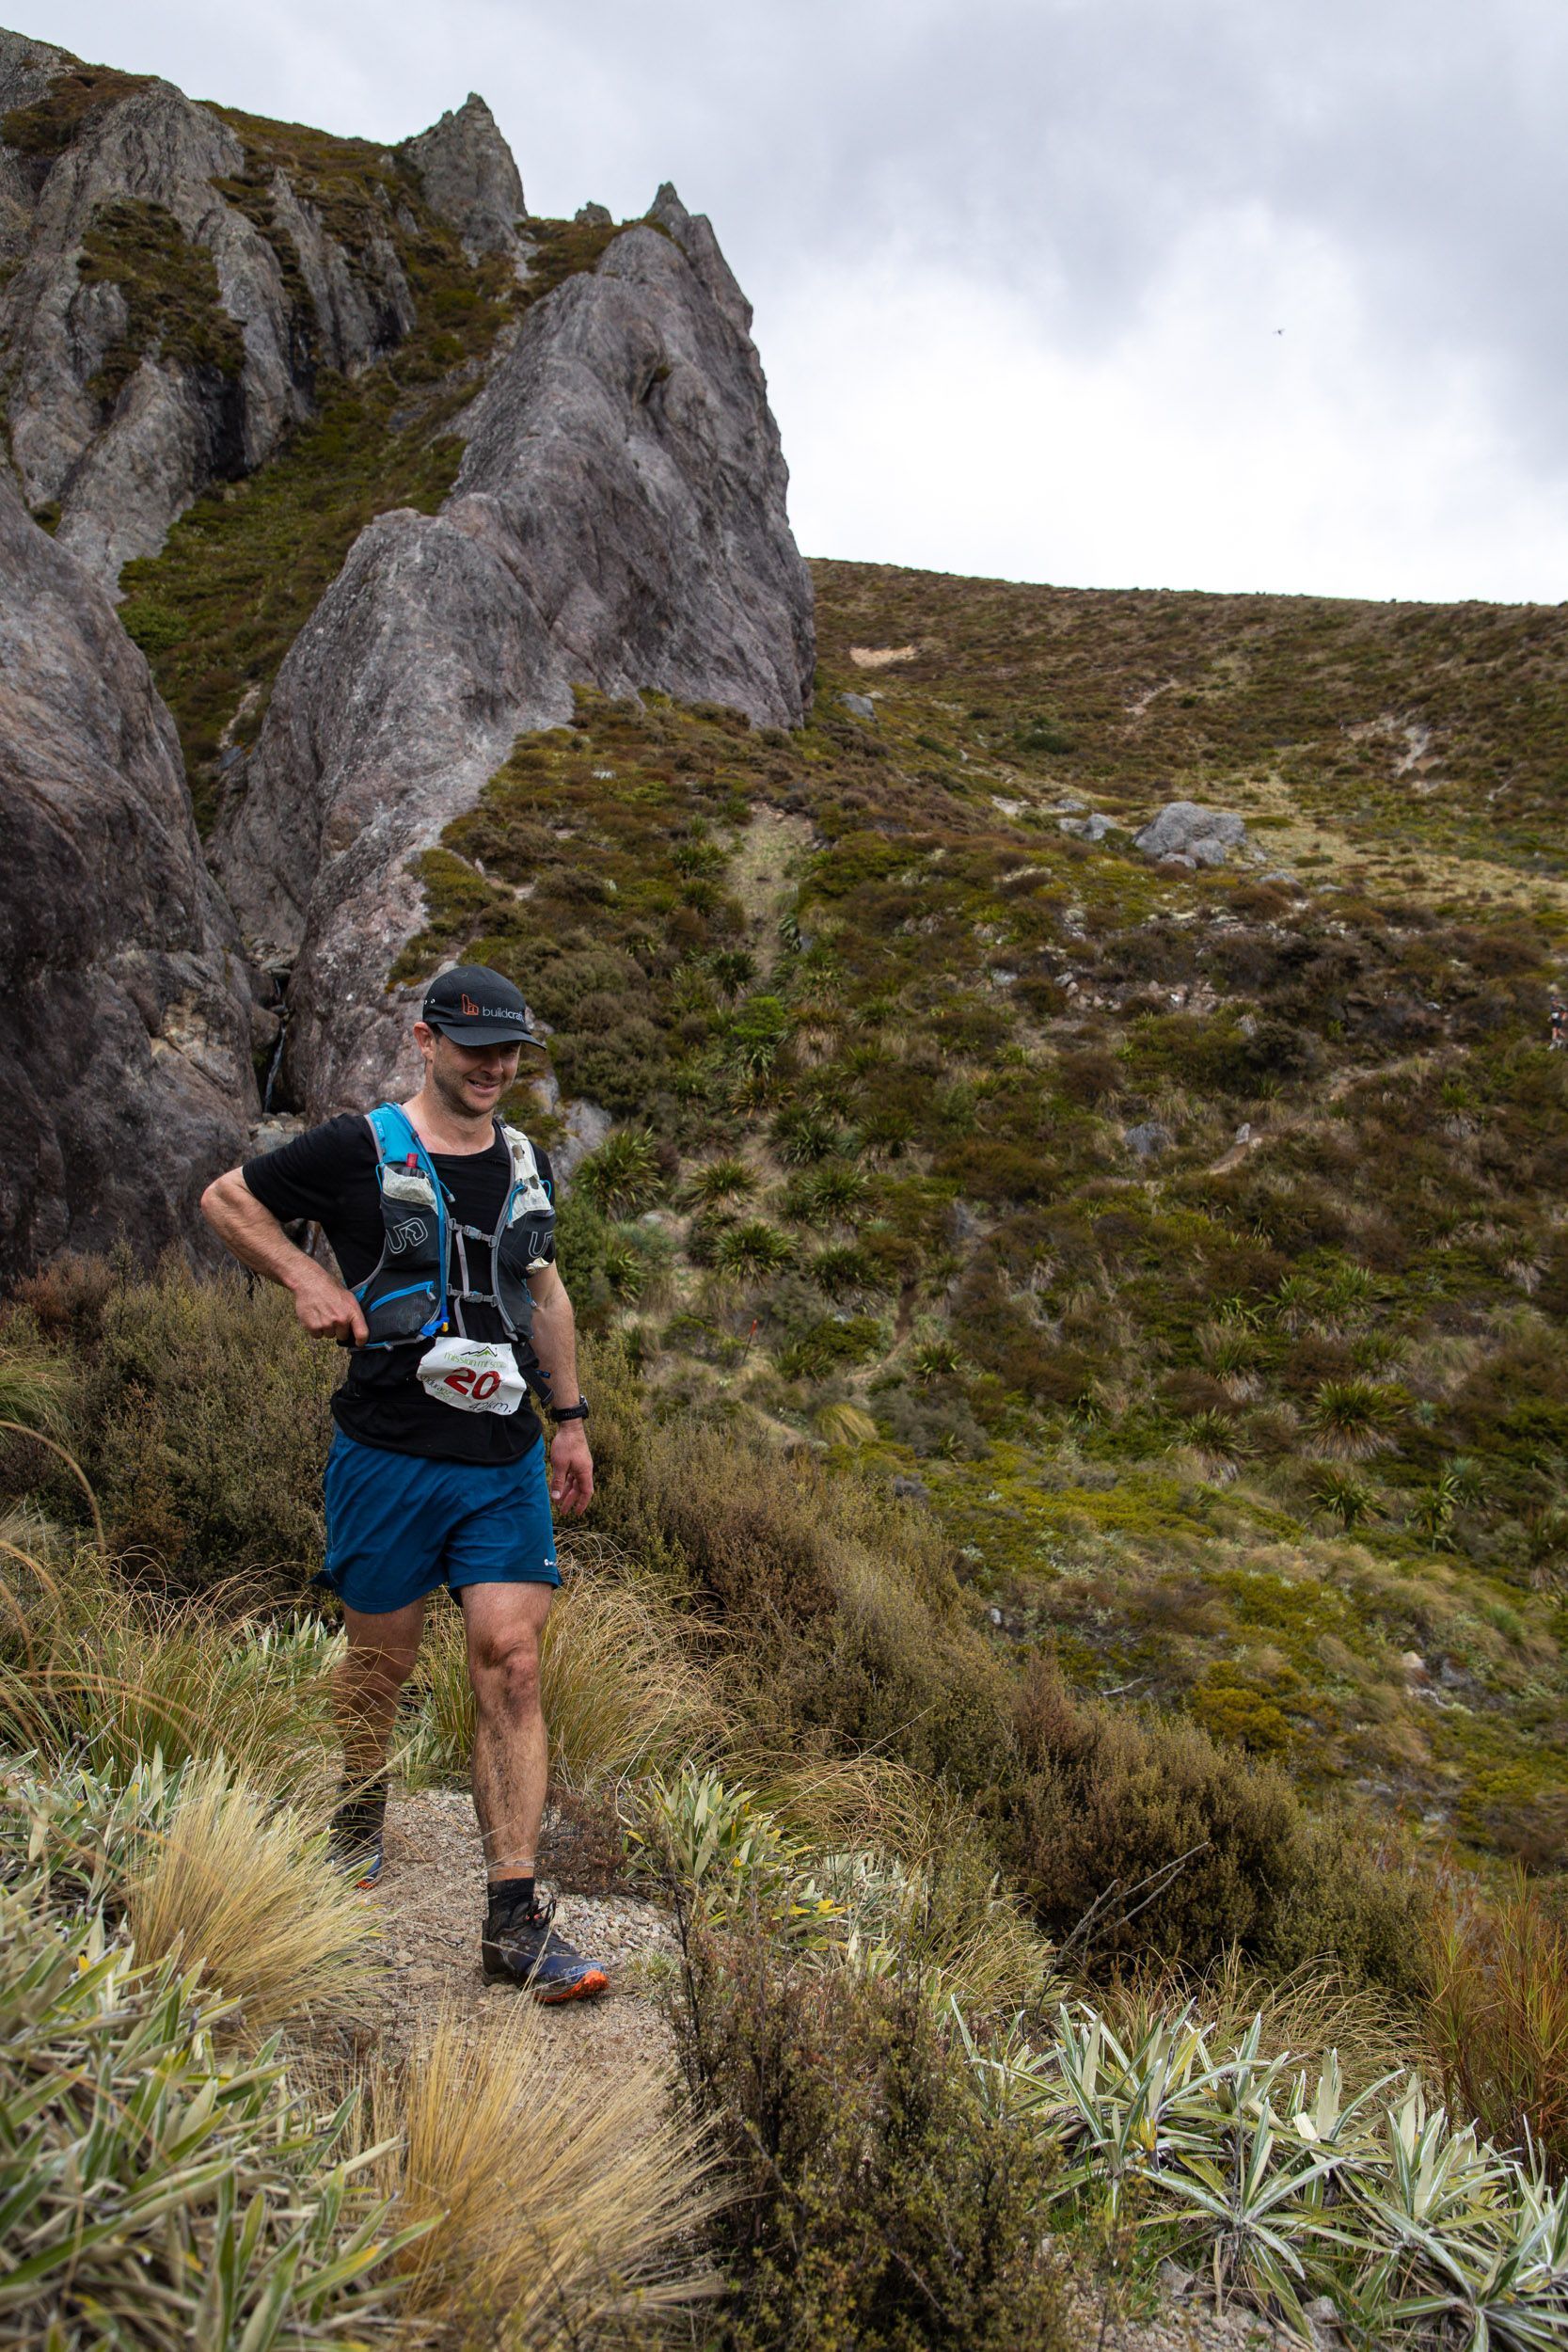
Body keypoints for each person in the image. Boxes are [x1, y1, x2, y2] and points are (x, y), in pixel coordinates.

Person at [199, 965, 606, 2003]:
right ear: (425, 1040)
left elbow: (543, 1290)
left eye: (510, 1051)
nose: (495, 1068)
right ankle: (359, 1799)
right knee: (379, 1667)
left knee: (510, 1661)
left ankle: (513, 1920)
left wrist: (570, 1422)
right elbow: (226, 1200)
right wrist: (305, 1277)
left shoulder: (527, 1161)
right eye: (475, 1049)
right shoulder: (353, 1148)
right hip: (384, 1456)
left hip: (500, 1460)